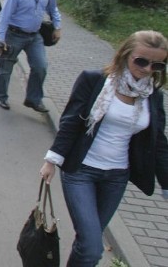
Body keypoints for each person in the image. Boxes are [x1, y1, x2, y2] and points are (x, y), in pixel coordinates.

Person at [38, 31, 168, 266]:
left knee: (86, 242)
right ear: (125, 55)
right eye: (141, 61)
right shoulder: (95, 80)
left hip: (116, 176)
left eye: (157, 64)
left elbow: (158, 142)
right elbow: (71, 121)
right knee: (91, 248)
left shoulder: (152, 96)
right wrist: (52, 160)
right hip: (81, 172)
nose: (148, 69)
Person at [0, 0, 61, 111]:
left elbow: (53, 9)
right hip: (14, 35)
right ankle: (1, 96)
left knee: (40, 66)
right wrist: (0, 39)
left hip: (34, 36)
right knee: (6, 67)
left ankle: (33, 99)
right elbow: (4, 17)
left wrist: (57, 27)